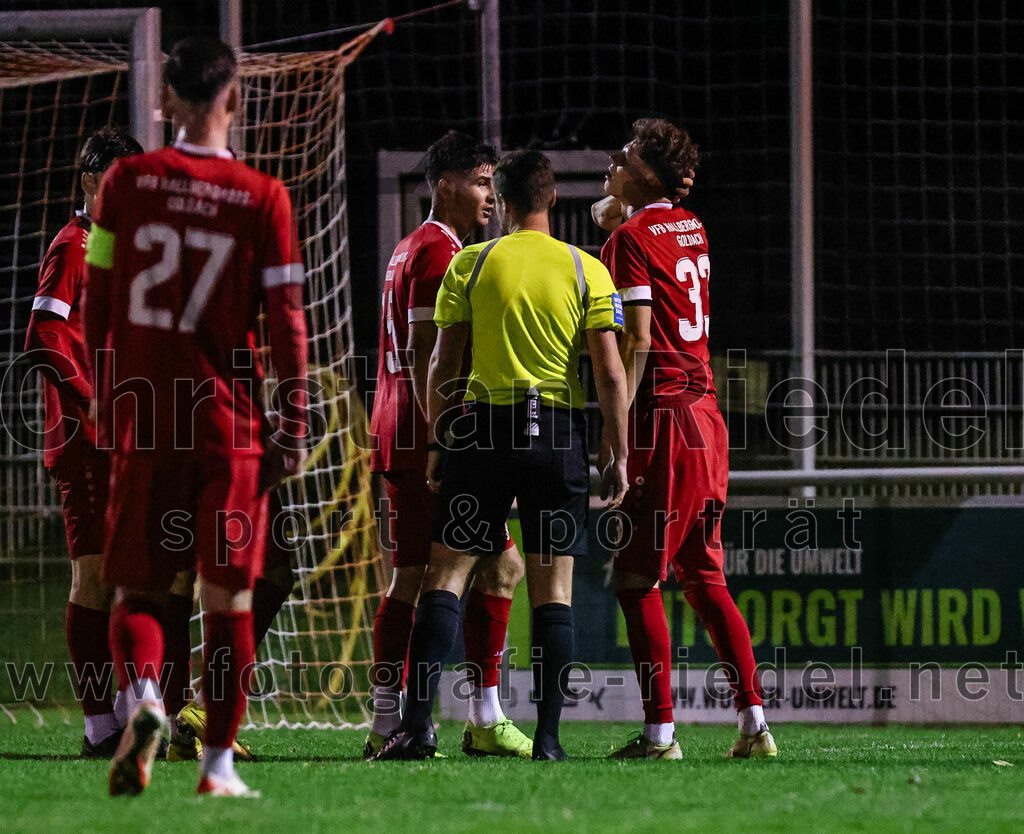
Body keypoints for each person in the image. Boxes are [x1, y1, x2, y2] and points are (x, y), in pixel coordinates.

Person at [83, 36, 308, 797]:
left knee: (137, 593)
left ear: (166, 102)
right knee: (230, 597)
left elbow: (99, 304)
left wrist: (107, 394)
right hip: (230, 426)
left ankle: (145, 699)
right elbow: (287, 323)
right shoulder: (264, 197)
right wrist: (294, 420)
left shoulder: (124, 184)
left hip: (147, 417)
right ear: (234, 101)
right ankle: (217, 765)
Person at [375, 149, 629, 762]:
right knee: (553, 589)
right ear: (553, 200)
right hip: (557, 435)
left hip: (484, 431)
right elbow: (612, 374)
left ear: (507, 202)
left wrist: (440, 438)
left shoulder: (473, 260)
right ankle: (547, 738)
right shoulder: (584, 267)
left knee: (445, 574)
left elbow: (440, 361)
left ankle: (412, 725)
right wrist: (616, 449)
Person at [598, 118, 777, 759]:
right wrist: (622, 209)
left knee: (635, 578)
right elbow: (655, 228)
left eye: (622, 155)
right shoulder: (690, 226)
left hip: (665, 419)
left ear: (645, 174)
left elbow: (639, 340)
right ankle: (755, 725)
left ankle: (660, 734)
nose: (611, 160)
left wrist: (616, 435)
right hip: (707, 416)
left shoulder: (628, 239)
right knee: (704, 577)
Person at [367, 131, 531, 759]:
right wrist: (446, 438)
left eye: (494, 181)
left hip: (399, 431)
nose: (492, 194)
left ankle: (394, 720)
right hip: (429, 439)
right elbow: (423, 354)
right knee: (473, 570)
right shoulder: (441, 253)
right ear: (445, 184)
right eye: (482, 181)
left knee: (420, 575)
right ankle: (478, 717)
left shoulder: (412, 247)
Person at [24, 126, 143, 758]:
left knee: (131, 577)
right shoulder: (73, 246)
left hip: (122, 442)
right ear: (91, 181)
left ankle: (132, 709)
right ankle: (103, 724)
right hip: (86, 441)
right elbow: (42, 335)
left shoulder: (115, 249)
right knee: (93, 578)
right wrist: (95, 402)